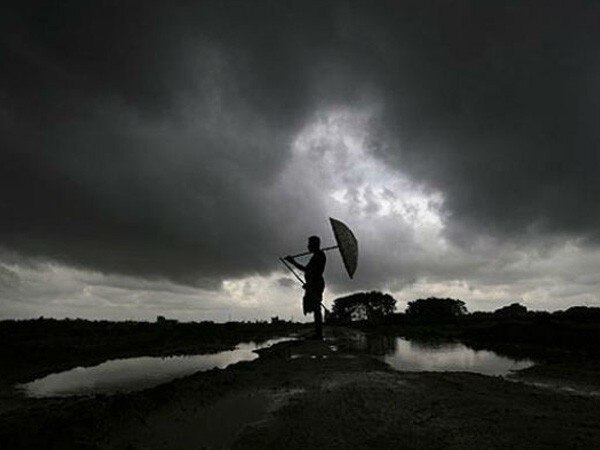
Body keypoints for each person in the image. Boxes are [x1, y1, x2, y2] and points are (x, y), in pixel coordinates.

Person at [285, 236, 326, 340]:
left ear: (314, 244)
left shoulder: (319, 256)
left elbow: (316, 272)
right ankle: (318, 333)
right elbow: (307, 270)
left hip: (316, 284)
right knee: (314, 307)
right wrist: (292, 262)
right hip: (313, 284)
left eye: (309, 244)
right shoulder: (316, 256)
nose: (307, 246)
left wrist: (310, 284)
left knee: (316, 308)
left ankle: (319, 334)